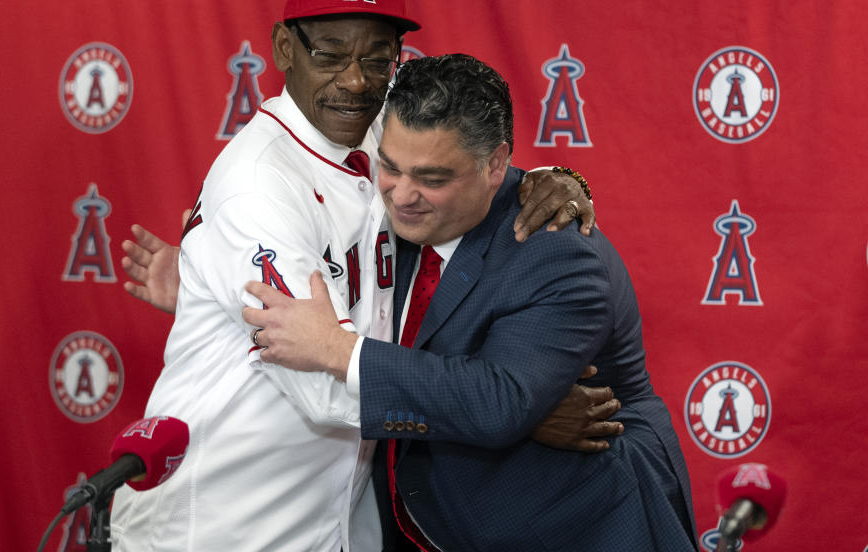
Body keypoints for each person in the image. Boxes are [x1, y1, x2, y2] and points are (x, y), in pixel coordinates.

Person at [110, 0, 616, 552]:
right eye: (330, 54)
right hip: (223, 522)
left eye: (378, 61)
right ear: (283, 49)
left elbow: (460, 168)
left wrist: (553, 178)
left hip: (334, 517)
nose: (355, 81)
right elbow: (321, 382)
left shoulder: (371, 133)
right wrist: (511, 415)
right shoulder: (259, 186)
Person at [244, 54, 698, 551]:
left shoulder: (558, 250)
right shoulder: (393, 218)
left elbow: (500, 401)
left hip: (580, 525)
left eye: (433, 179)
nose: (402, 195)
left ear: (496, 164)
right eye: (390, 167)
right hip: (432, 523)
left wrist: (337, 350)